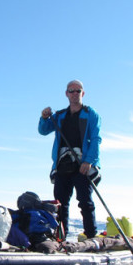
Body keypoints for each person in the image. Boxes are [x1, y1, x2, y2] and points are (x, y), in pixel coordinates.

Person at [38, 80, 101, 239]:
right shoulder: (59, 116)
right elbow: (43, 130)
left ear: (83, 93)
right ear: (66, 94)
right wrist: (44, 117)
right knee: (60, 204)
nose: (74, 94)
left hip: (83, 165)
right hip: (63, 166)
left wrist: (88, 161)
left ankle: (91, 236)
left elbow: (95, 139)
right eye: (71, 91)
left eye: (77, 91)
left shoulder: (91, 114)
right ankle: (60, 238)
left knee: (85, 202)